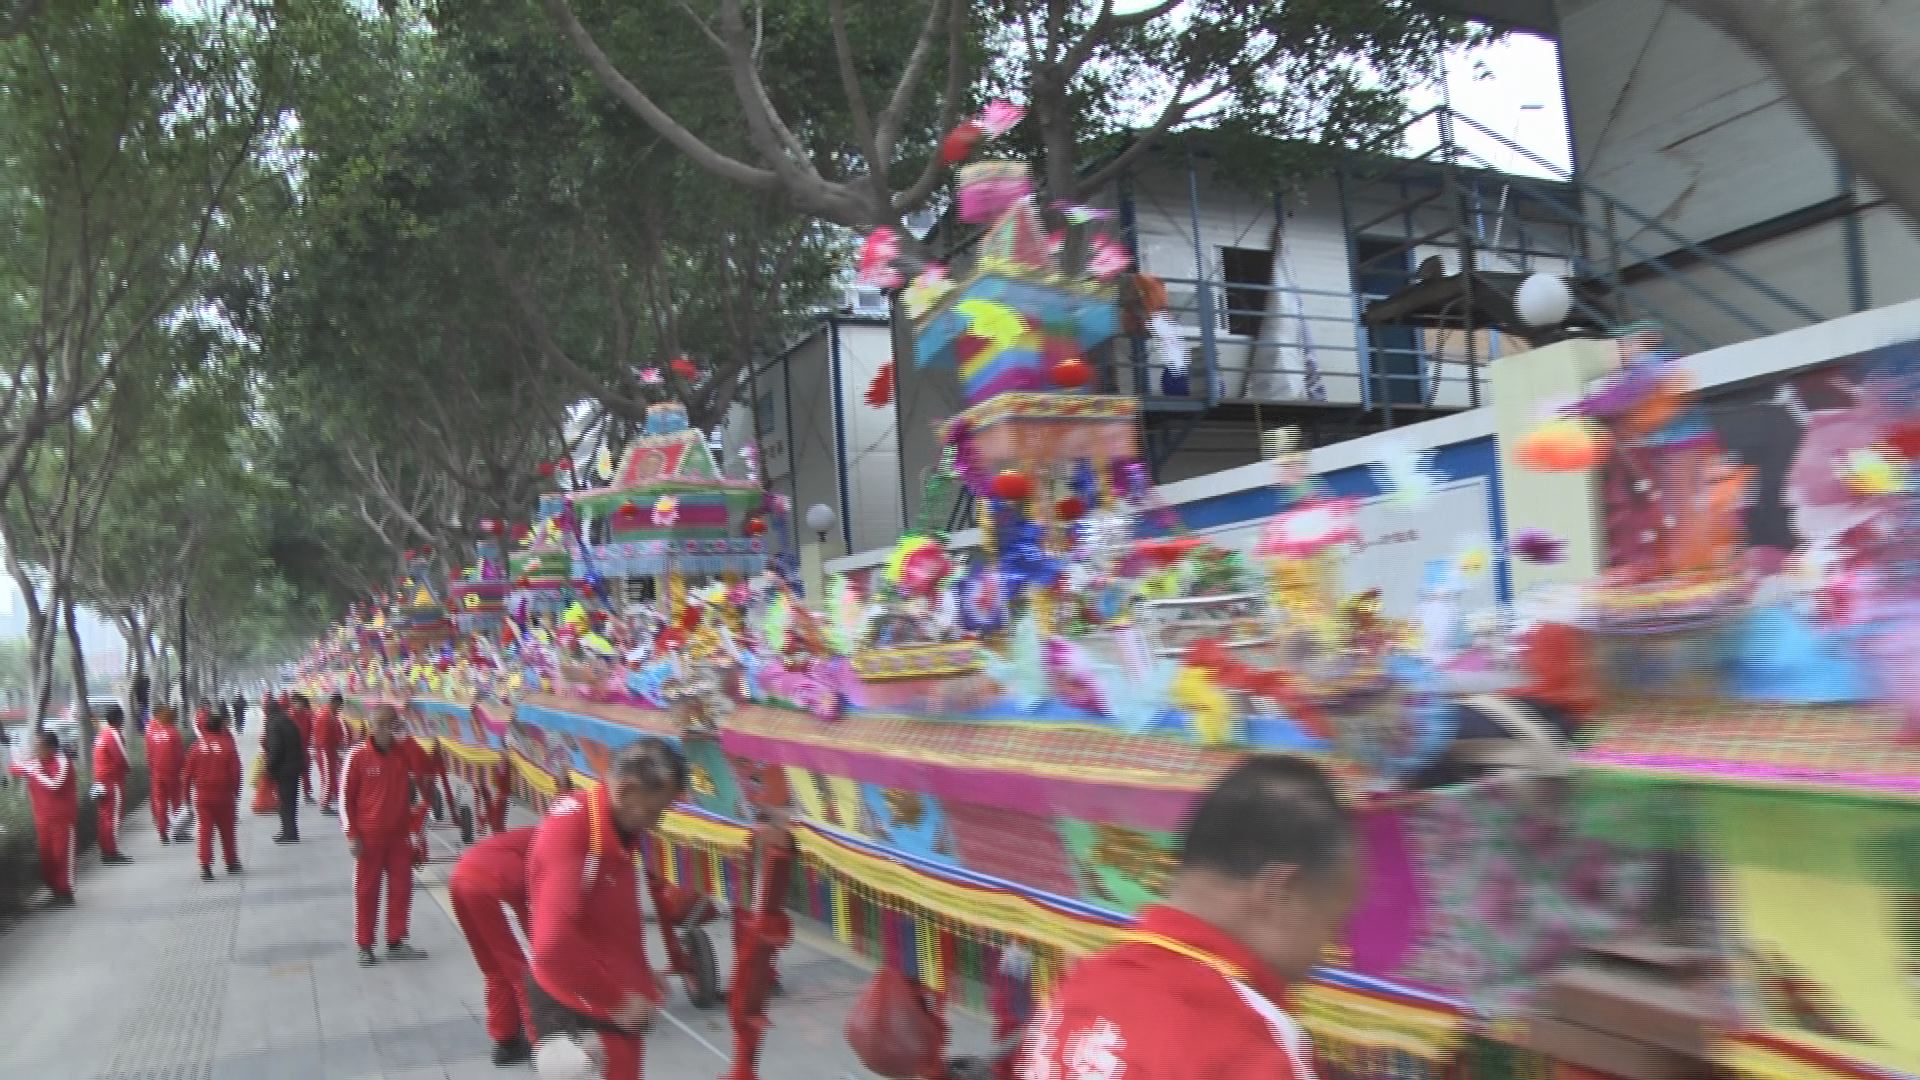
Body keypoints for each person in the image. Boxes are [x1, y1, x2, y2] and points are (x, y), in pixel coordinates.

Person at [1016, 755, 1359, 1080]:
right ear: (1282, 891)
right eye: (1331, 921)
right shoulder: (1247, 1051)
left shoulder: (1083, 985)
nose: (1326, 950)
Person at [526, 738, 688, 1080]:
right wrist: (616, 998)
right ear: (627, 789)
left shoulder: (610, 828)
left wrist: (641, 973)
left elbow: (606, 922)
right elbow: (553, 944)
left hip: (602, 997)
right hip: (582, 1005)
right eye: (655, 810)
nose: (656, 822)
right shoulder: (573, 830)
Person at [341, 704, 428, 965]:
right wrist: (351, 834)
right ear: (369, 725)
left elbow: (425, 768)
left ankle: (396, 940)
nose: (382, 730)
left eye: (389, 724)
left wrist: (408, 737)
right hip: (369, 838)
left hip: (399, 836)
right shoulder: (357, 756)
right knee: (367, 891)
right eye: (378, 724)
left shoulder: (403, 752)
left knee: (402, 889)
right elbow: (345, 798)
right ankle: (365, 945)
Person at [449, 825, 538, 1065]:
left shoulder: (544, 830)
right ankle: (546, 1045)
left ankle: (506, 1041)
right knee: (526, 969)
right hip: (496, 886)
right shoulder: (574, 841)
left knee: (496, 966)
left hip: (461, 878)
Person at [8, 730, 79, 904]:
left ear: (50, 747)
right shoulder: (37, 762)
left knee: (62, 855)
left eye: (38, 746)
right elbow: (14, 768)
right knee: (47, 857)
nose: (35, 749)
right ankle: (54, 889)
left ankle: (65, 892)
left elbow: (56, 785)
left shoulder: (63, 762)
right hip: (42, 819)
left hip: (62, 819)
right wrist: (28, 765)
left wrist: (36, 772)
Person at [184, 709, 244, 881]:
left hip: (202, 795)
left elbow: (187, 774)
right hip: (224, 794)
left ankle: (205, 866)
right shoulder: (228, 746)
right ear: (221, 727)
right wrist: (236, 793)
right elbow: (236, 773)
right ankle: (231, 862)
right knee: (227, 830)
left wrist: (186, 797)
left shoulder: (195, 747)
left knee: (204, 830)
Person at [90, 705, 133, 864]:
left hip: (101, 781)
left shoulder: (102, 734)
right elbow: (122, 757)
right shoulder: (114, 734)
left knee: (104, 817)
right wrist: (129, 769)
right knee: (113, 818)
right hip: (112, 780)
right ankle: (111, 852)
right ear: (119, 719)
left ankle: (106, 851)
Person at [262, 700, 307, 843]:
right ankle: (290, 830)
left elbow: (276, 747)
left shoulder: (273, 723)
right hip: (295, 765)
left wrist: (269, 766)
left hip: (283, 768)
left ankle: (289, 833)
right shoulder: (289, 721)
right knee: (291, 801)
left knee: (284, 802)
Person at [145, 707, 186, 844]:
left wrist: (153, 770)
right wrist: (183, 770)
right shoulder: (174, 733)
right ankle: (178, 832)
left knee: (160, 804)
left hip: (157, 774)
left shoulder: (152, 734)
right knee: (176, 803)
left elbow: (149, 755)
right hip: (173, 773)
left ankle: (162, 832)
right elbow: (180, 755)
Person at [314, 693, 346, 814]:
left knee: (330, 776)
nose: (339, 709)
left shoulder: (328, 713)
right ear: (335, 703)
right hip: (325, 750)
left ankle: (329, 797)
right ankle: (324, 804)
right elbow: (323, 738)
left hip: (329, 749)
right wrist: (336, 746)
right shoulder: (325, 716)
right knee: (328, 777)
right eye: (339, 706)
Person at [290, 694, 316, 803]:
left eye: (300, 702)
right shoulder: (289, 716)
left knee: (306, 772)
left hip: (305, 748)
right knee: (292, 773)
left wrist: (312, 745)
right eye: (297, 702)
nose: (299, 705)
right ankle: (290, 794)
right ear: (293, 703)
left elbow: (312, 730)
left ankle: (307, 793)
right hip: (291, 749)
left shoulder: (308, 715)